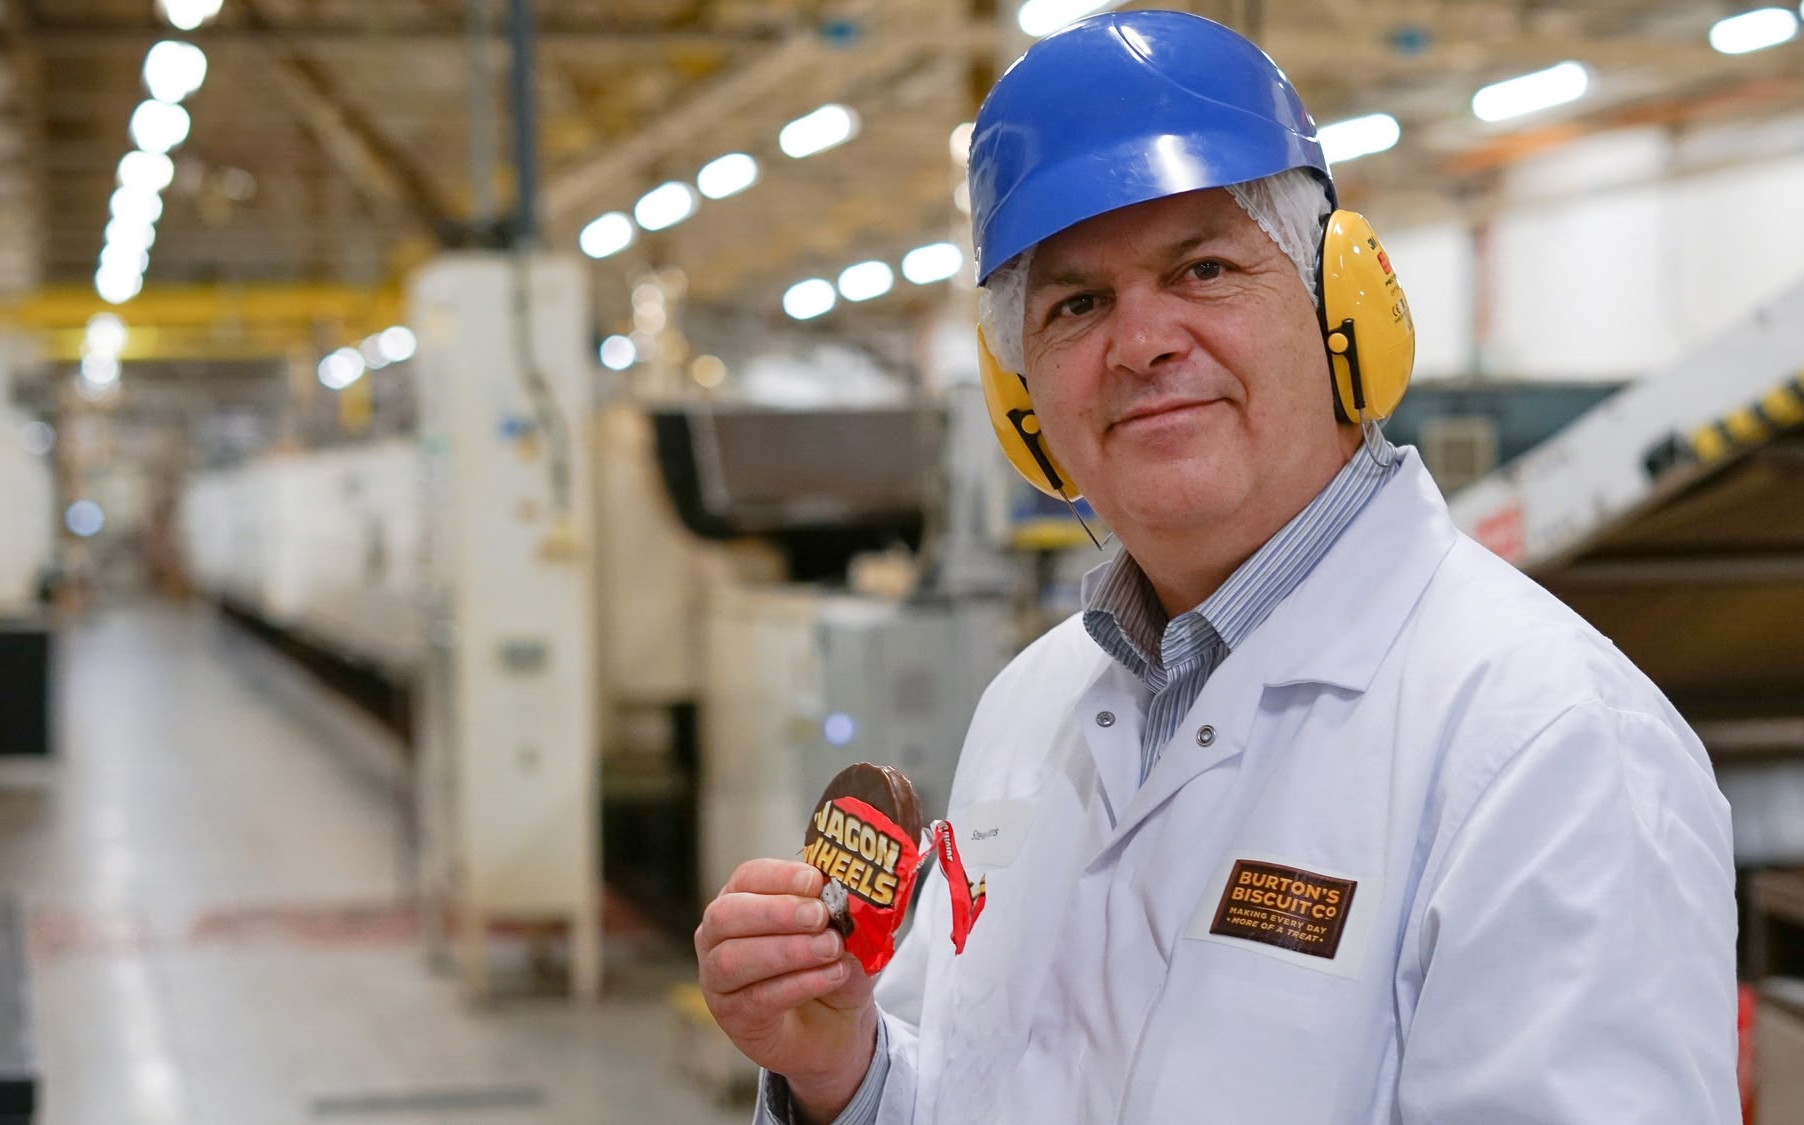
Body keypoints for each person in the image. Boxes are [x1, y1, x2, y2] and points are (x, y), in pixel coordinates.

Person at [695, 11, 1739, 1123]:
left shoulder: (1550, 745)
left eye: (1202, 268)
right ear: (1020, 399)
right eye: (1077, 304)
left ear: (1341, 306)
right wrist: (844, 1076)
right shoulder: (1028, 710)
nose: (1141, 342)